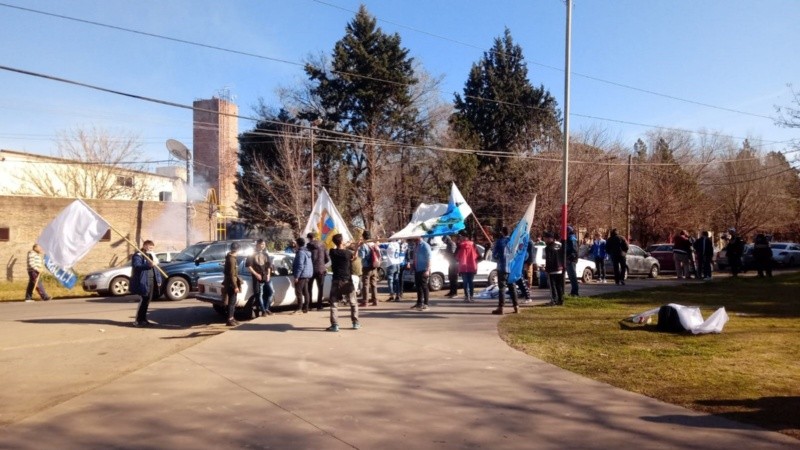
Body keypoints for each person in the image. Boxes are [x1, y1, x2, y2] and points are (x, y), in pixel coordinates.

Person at [326, 233, 360, 332]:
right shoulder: (348, 253)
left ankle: (335, 325)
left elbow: (348, 254)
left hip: (336, 280)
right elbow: (354, 257)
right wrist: (357, 246)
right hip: (347, 281)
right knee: (353, 302)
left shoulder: (332, 252)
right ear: (341, 241)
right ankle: (355, 323)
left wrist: (346, 245)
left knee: (334, 303)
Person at [131, 240, 162, 326]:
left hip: (152, 280)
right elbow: (137, 266)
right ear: (145, 246)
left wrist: (158, 279)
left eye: (152, 248)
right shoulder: (138, 255)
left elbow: (156, 268)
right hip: (143, 281)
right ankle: (138, 320)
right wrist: (148, 265)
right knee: (143, 299)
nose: (151, 249)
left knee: (148, 300)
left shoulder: (152, 255)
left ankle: (144, 319)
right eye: (150, 247)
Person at [491, 227, 519, 315]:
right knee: (512, 287)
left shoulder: (499, 242)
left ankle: (501, 307)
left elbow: (494, 256)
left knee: (502, 288)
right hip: (512, 267)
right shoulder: (514, 242)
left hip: (502, 267)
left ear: (502, 232)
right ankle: (516, 306)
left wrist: (494, 251)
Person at [246, 239, 273, 317]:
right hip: (257, 277)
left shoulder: (265, 254)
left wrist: (268, 275)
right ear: (257, 245)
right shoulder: (252, 254)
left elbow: (268, 265)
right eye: (261, 244)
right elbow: (249, 266)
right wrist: (256, 274)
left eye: (264, 244)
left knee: (271, 292)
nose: (263, 246)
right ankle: (264, 311)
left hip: (266, 276)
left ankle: (266, 308)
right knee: (259, 294)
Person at [306, 232, 330, 311]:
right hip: (321, 269)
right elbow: (327, 259)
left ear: (309, 238)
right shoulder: (323, 245)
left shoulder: (308, 246)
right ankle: (319, 305)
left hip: (311, 269)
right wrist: (322, 264)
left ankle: (310, 305)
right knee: (320, 288)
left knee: (309, 288)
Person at [222, 242, 242, 326]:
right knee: (232, 302)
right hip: (231, 283)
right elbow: (232, 274)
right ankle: (230, 319)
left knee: (232, 302)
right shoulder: (232, 259)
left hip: (229, 282)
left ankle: (232, 318)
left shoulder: (230, 257)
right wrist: (235, 286)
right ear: (237, 250)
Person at [455, 231, 478, 302]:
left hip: (463, 266)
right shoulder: (473, 244)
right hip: (472, 265)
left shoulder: (460, 245)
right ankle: (471, 296)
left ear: (463, 237)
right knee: (471, 281)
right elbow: (478, 255)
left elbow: (456, 256)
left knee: (465, 282)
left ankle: (466, 296)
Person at [357, 231, 379, 306]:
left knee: (366, 284)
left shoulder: (364, 245)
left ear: (363, 237)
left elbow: (361, 256)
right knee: (374, 284)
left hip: (366, 267)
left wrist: (359, 247)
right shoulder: (373, 244)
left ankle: (365, 301)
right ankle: (375, 300)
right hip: (374, 266)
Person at [543, 231, 564, 306]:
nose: (544, 240)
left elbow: (549, 259)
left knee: (552, 286)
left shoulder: (548, 248)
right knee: (559, 285)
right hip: (559, 268)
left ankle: (554, 300)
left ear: (550, 239)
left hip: (552, 269)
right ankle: (561, 300)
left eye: (545, 238)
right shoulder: (559, 246)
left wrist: (547, 269)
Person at [292, 237, 313, 313]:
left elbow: (300, 265)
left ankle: (299, 308)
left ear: (298, 244)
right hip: (307, 274)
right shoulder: (306, 252)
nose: (294, 245)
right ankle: (306, 307)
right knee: (305, 291)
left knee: (298, 291)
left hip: (302, 275)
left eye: (295, 243)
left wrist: (297, 276)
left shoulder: (300, 253)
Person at [411, 236, 432, 311]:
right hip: (417, 269)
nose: (414, 240)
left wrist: (428, 269)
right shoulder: (416, 246)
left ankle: (426, 304)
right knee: (418, 286)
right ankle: (419, 303)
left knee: (424, 286)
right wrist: (413, 266)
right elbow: (415, 257)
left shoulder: (425, 245)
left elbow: (429, 258)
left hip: (424, 269)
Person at [565, 226, 579, 296]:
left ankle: (575, 292)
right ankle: (573, 291)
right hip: (570, 259)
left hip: (571, 260)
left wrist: (569, 258)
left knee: (572, 276)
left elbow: (574, 250)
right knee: (571, 276)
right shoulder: (570, 238)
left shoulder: (571, 238)